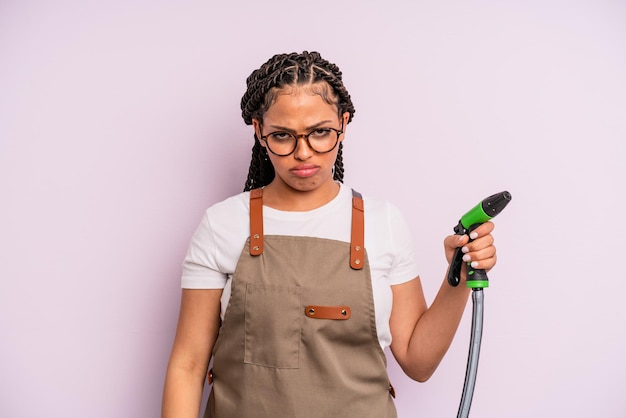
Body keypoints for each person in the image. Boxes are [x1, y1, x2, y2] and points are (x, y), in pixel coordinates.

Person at [162, 51, 497, 418]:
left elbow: (418, 363)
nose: (303, 154)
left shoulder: (383, 222)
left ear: (344, 123)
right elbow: (189, 366)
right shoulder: (222, 225)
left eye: (320, 132)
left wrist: (460, 278)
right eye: (282, 136)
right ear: (259, 131)